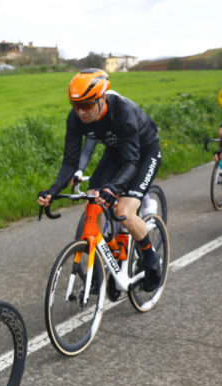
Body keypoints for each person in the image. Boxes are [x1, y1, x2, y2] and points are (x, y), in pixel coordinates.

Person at [37, 69, 163, 291]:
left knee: (124, 212)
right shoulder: (75, 118)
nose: (81, 112)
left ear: (102, 99)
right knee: (93, 205)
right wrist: (53, 190)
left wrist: (113, 188)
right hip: (116, 153)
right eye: (76, 106)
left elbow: (132, 162)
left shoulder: (123, 111)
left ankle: (151, 258)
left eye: (86, 105)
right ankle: (102, 268)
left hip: (143, 154)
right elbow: (70, 162)